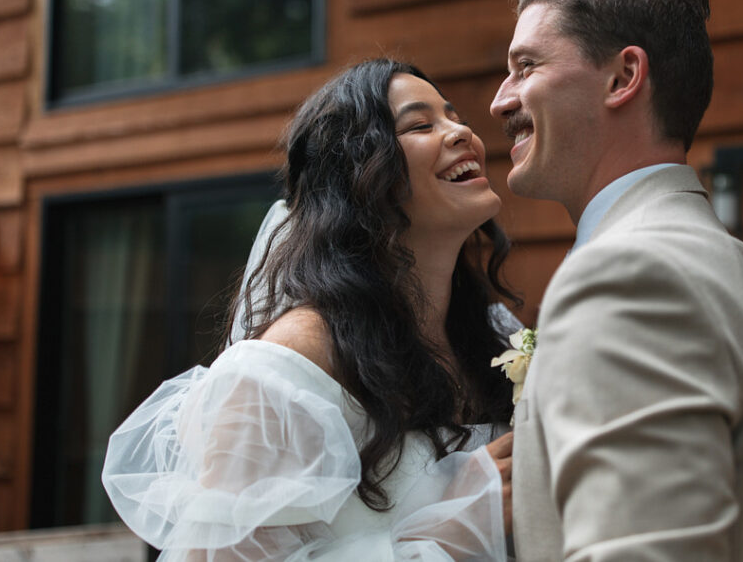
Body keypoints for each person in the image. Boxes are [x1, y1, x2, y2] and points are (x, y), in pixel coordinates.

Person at [103, 58, 522, 561]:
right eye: (420, 125)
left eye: (454, 116)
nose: (462, 132)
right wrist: (446, 537)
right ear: (360, 181)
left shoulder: (497, 335)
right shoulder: (284, 369)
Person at [490, 0, 743, 561]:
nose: (500, 100)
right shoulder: (713, 258)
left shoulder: (629, 275)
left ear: (623, 77)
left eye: (526, 66)